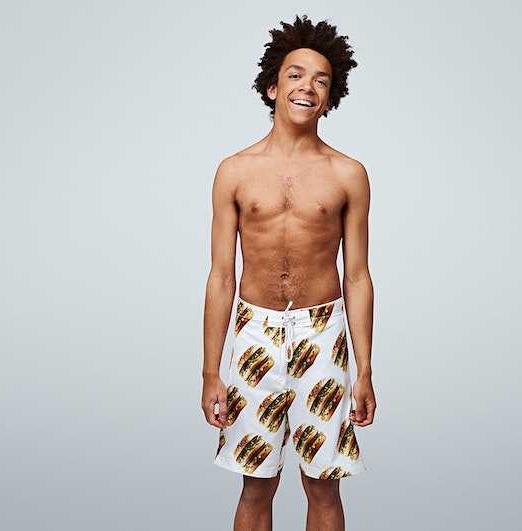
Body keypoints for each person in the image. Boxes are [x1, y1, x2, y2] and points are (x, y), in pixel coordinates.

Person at [201, 15, 376, 531]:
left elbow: (358, 276)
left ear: (330, 97)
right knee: (256, 484)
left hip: (323, 333)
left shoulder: (349, 174)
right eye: (295, 75)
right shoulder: (234, 171)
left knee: (323, 484)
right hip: (255, 331)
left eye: (321, 80)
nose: (307, 87)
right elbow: (220, 276)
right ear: (273, 87)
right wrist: (210, 371)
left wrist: (365, 370)